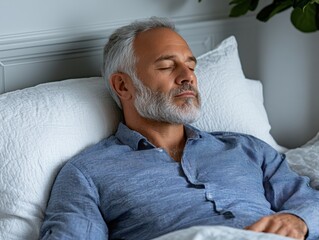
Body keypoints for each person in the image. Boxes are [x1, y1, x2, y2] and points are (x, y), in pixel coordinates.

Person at [40, 17, 319, 240]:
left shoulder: (248, 148)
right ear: (123, 86)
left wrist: (297, 220)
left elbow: (310, 203)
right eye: (166, 66)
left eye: (190, 65)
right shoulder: (87, 172)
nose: (187, 77)